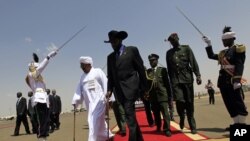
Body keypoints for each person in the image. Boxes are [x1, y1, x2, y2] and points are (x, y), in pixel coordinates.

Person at [202, 26, 248, 130]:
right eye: (222, 39)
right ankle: (236, 124)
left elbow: (239, 64)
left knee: (238, 103)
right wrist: (209, 44)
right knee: (229, 104)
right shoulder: (223, 53)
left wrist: (237, 80)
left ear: (231, 38)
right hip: (223, 82)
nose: (223, 41)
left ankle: (242, 126)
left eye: (225, 39)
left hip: (232, 81)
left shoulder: (238, 49)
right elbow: (211, 56)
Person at [105, 30, 147, 141]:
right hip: (120, 92)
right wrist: (109, 90)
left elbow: (141, 69)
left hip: (131, 88)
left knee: (129, 117)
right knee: (131, 117)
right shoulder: (110, 58)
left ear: (120, 40)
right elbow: (111, 76)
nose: (112, 44)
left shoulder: (132, 50)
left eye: (114, 41)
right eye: (111, 42)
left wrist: (144, 88)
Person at [165, 33, 202, 134]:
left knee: (189, 102)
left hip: (187, 79)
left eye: (174, 40)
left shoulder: (186, 49)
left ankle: (192, 125)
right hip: (175, 81)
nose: (173, 42)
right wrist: (170, 82)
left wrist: (198, 75)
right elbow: (169, 69)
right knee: (180, 101)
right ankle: (181, 116)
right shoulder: (168, 53)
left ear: (178, 39)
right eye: (171, 41)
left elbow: (193, 62)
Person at [72, 56, 114, 141]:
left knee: (92, 122)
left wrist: (109, 99)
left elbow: (106, 84)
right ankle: (108, 136)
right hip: (90, 105)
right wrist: (75, 101)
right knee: (100, 124)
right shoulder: (82, 77)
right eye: (81, 66)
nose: (82, 68)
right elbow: (78, 91)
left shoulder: (98, 71)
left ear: (89, 64)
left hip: (99, 102)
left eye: (83, 66)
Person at [25, 51, 57, 140]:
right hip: (39, 100)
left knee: (46, 122)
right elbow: (41, 68)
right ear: (33, 68)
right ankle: (41, 138)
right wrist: (48, 56)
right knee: (42, 122)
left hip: (44, 100)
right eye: (36, 67)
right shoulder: (32, 74)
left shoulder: (38, 77)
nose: (38, 68)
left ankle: (44, 137)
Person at [145, 53, 172, 137]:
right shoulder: (148, 72)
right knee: (156, 114)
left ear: (157, 60)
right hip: (153, 97)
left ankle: (167, 129)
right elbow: (147, 85)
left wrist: (170, 97)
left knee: (166, 114)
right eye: (150, 61)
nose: (151, 62)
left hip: (162, 95)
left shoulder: (162, 70)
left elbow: (167, 84)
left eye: (153, 60)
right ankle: (158, 127)